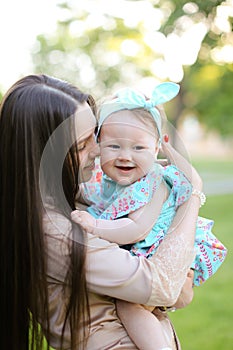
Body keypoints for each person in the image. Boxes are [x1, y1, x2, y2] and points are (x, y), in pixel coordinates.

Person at [1, 74, 202, 350]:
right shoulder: (52, 231)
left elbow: (177, 291)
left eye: (96, 135)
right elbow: (164, 285)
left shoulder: (71, 199)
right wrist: (192, 194)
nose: (97, 150)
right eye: (83, 144)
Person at [71, 83, 227, 350]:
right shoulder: (113, 182)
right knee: (147, 309)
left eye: (138, 148)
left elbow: (136, 229)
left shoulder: (152, 184)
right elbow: (93, 195)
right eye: (114, 146)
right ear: (99, 147)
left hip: (164, 250)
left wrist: (95, 225)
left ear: (156, 149)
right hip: (148, 257)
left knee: (130, 306)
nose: (125, 156)